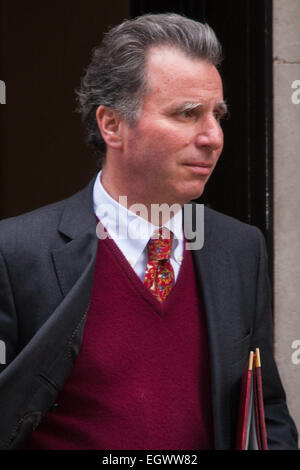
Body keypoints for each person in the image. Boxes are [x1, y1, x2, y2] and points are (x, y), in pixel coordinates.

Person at [0, 13, 298, 450]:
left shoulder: (239, 248)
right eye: (187, 114)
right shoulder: (16, 252)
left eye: (218, 115)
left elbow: (265, 412)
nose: (213, 136)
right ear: (112, 125)